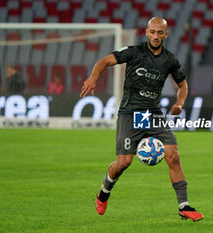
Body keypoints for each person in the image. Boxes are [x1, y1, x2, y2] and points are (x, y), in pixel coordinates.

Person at [80, 17, 204, 221]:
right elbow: (104, 61)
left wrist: (179, 103)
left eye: (160, 33)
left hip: (152, 113)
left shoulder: (170, 60)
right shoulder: (134, 52)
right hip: (130, 112)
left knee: (173, 155)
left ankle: (184, 206)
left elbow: (183, 86)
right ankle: (104, 190)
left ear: (166, 35)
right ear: (146, 33)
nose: (156, 36)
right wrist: (94, 77)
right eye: (152, 32)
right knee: (124, 162)